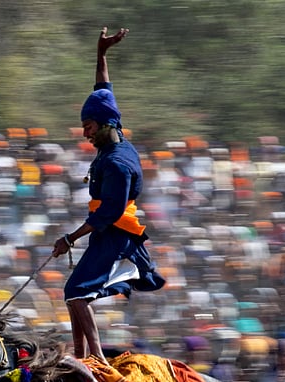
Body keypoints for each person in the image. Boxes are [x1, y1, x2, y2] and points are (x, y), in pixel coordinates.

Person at [51, 27, 165, 360]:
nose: (85, 134)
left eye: (88, 128)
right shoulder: (111, 128)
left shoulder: (118, 164)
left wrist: (70, 239)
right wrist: (102, 53)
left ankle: (95, 360)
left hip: (117, 234)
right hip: (107, 231)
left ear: (103, 125)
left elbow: (109, 214)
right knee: (74, 292)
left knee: (76, 292)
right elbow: (103, 87)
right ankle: (80, 355)